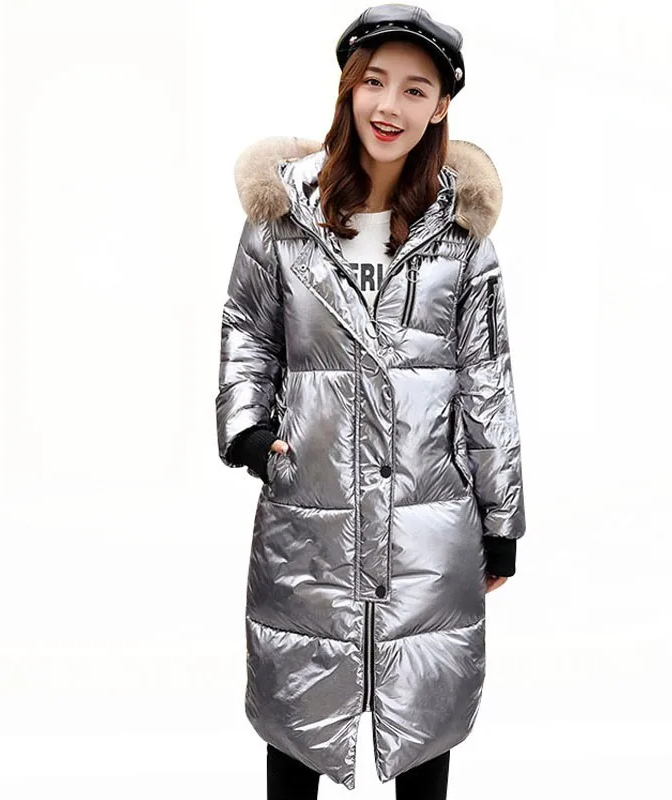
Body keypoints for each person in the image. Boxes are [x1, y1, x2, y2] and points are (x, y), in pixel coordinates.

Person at [215, 4, 527, 796]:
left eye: (415, 90)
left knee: (423, 713)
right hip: (309, 506)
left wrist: (501, 518)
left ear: (441, 106)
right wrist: (249, 428)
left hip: (429, 519)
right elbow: (247, 326)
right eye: (374, 83)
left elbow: (487, 378)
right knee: (297, 706)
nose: (390, 106)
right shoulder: (283, 218)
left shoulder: (461, 237)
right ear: (348, 89)